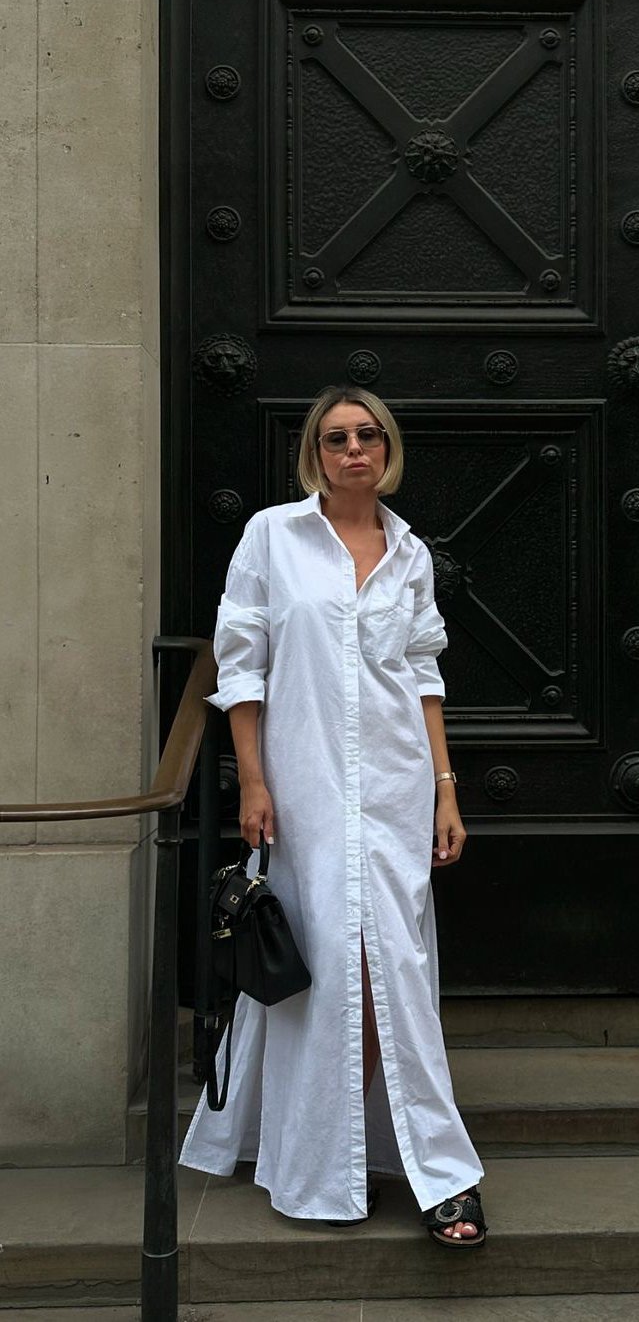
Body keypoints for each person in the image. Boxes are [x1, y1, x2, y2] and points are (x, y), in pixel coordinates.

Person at [179, 385, 487, 1247]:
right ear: (314, 453)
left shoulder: (410, 553)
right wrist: (253, 781)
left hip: (395, 788)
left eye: (368, 436)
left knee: (394, 968)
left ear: (388, 449)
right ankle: (323, 1164)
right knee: (320, 964)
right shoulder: (271, 537)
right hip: (305, 791)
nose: (355, 450)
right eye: (337, 438)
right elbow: (242, 664)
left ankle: (432, 1168)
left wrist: (445, 787)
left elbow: (422, 675)